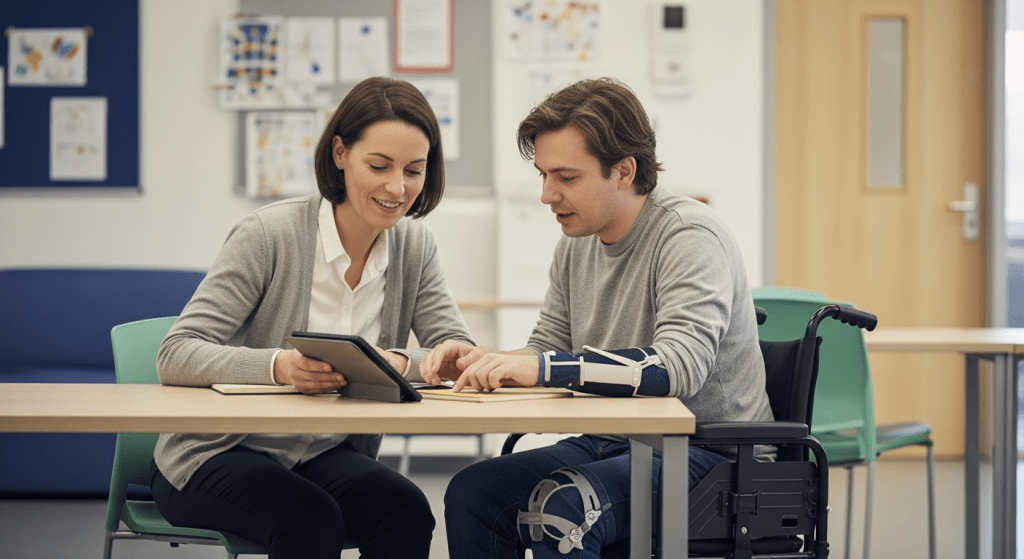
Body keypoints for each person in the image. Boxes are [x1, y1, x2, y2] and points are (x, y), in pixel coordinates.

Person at [420, 78, 773, 559]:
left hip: (713, 454)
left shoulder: (690, 236)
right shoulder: (575, 243)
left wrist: (540, 368)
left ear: (623, 171)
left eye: (566, 178)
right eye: (544, 175)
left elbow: (679, 367)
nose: (547, 194)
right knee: (472, 493)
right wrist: (491, 361)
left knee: (565, 508)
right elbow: (547, 347)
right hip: (614, 441)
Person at [150, 76, 473, 559]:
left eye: (414, 170)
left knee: (405, 510)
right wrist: (279, 367)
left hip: (321, 453)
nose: (397, 187)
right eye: (379, 165)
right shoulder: (268, 235)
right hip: (216, 453)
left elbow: (455, 351)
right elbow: (175, 354)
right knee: (310, 521)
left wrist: (399, 363)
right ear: (340, 154)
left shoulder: (415, 247)